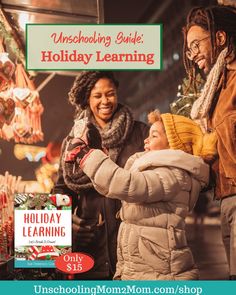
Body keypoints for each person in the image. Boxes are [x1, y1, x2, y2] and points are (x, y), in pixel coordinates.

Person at [64, 111, 217, 280]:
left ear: (173, 146)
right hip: (145, 265)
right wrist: (95, 154)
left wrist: (85, 155)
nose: (146, 140)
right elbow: (110, 186)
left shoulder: (172, 175)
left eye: (154, 136)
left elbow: (128, 184)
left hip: (160, 272)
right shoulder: (159, 170)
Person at [53, 71, 149, 279]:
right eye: (97, 96)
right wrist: (67, 222)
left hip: (134, 242)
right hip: (90, 244)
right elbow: (61, 190)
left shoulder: (141, 133)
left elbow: (153, 182)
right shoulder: (73, 141)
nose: (105, 101)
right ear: (87, 99)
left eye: (110, 94)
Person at [182, 5, 236, 279]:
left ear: (220, 38)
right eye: (188, 49)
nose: (192, 56)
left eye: (195, 45)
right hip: (226, 196)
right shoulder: (219, 84)